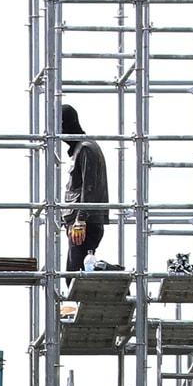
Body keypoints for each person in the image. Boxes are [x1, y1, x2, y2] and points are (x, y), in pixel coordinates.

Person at [61, 104, 109, 272]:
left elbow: (89, 187)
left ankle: (115, 276)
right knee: (76, 273)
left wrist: (80, 220)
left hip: (85, 222)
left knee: (77, 274)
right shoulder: (82, 148)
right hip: (81, 221)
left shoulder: (86, 148)